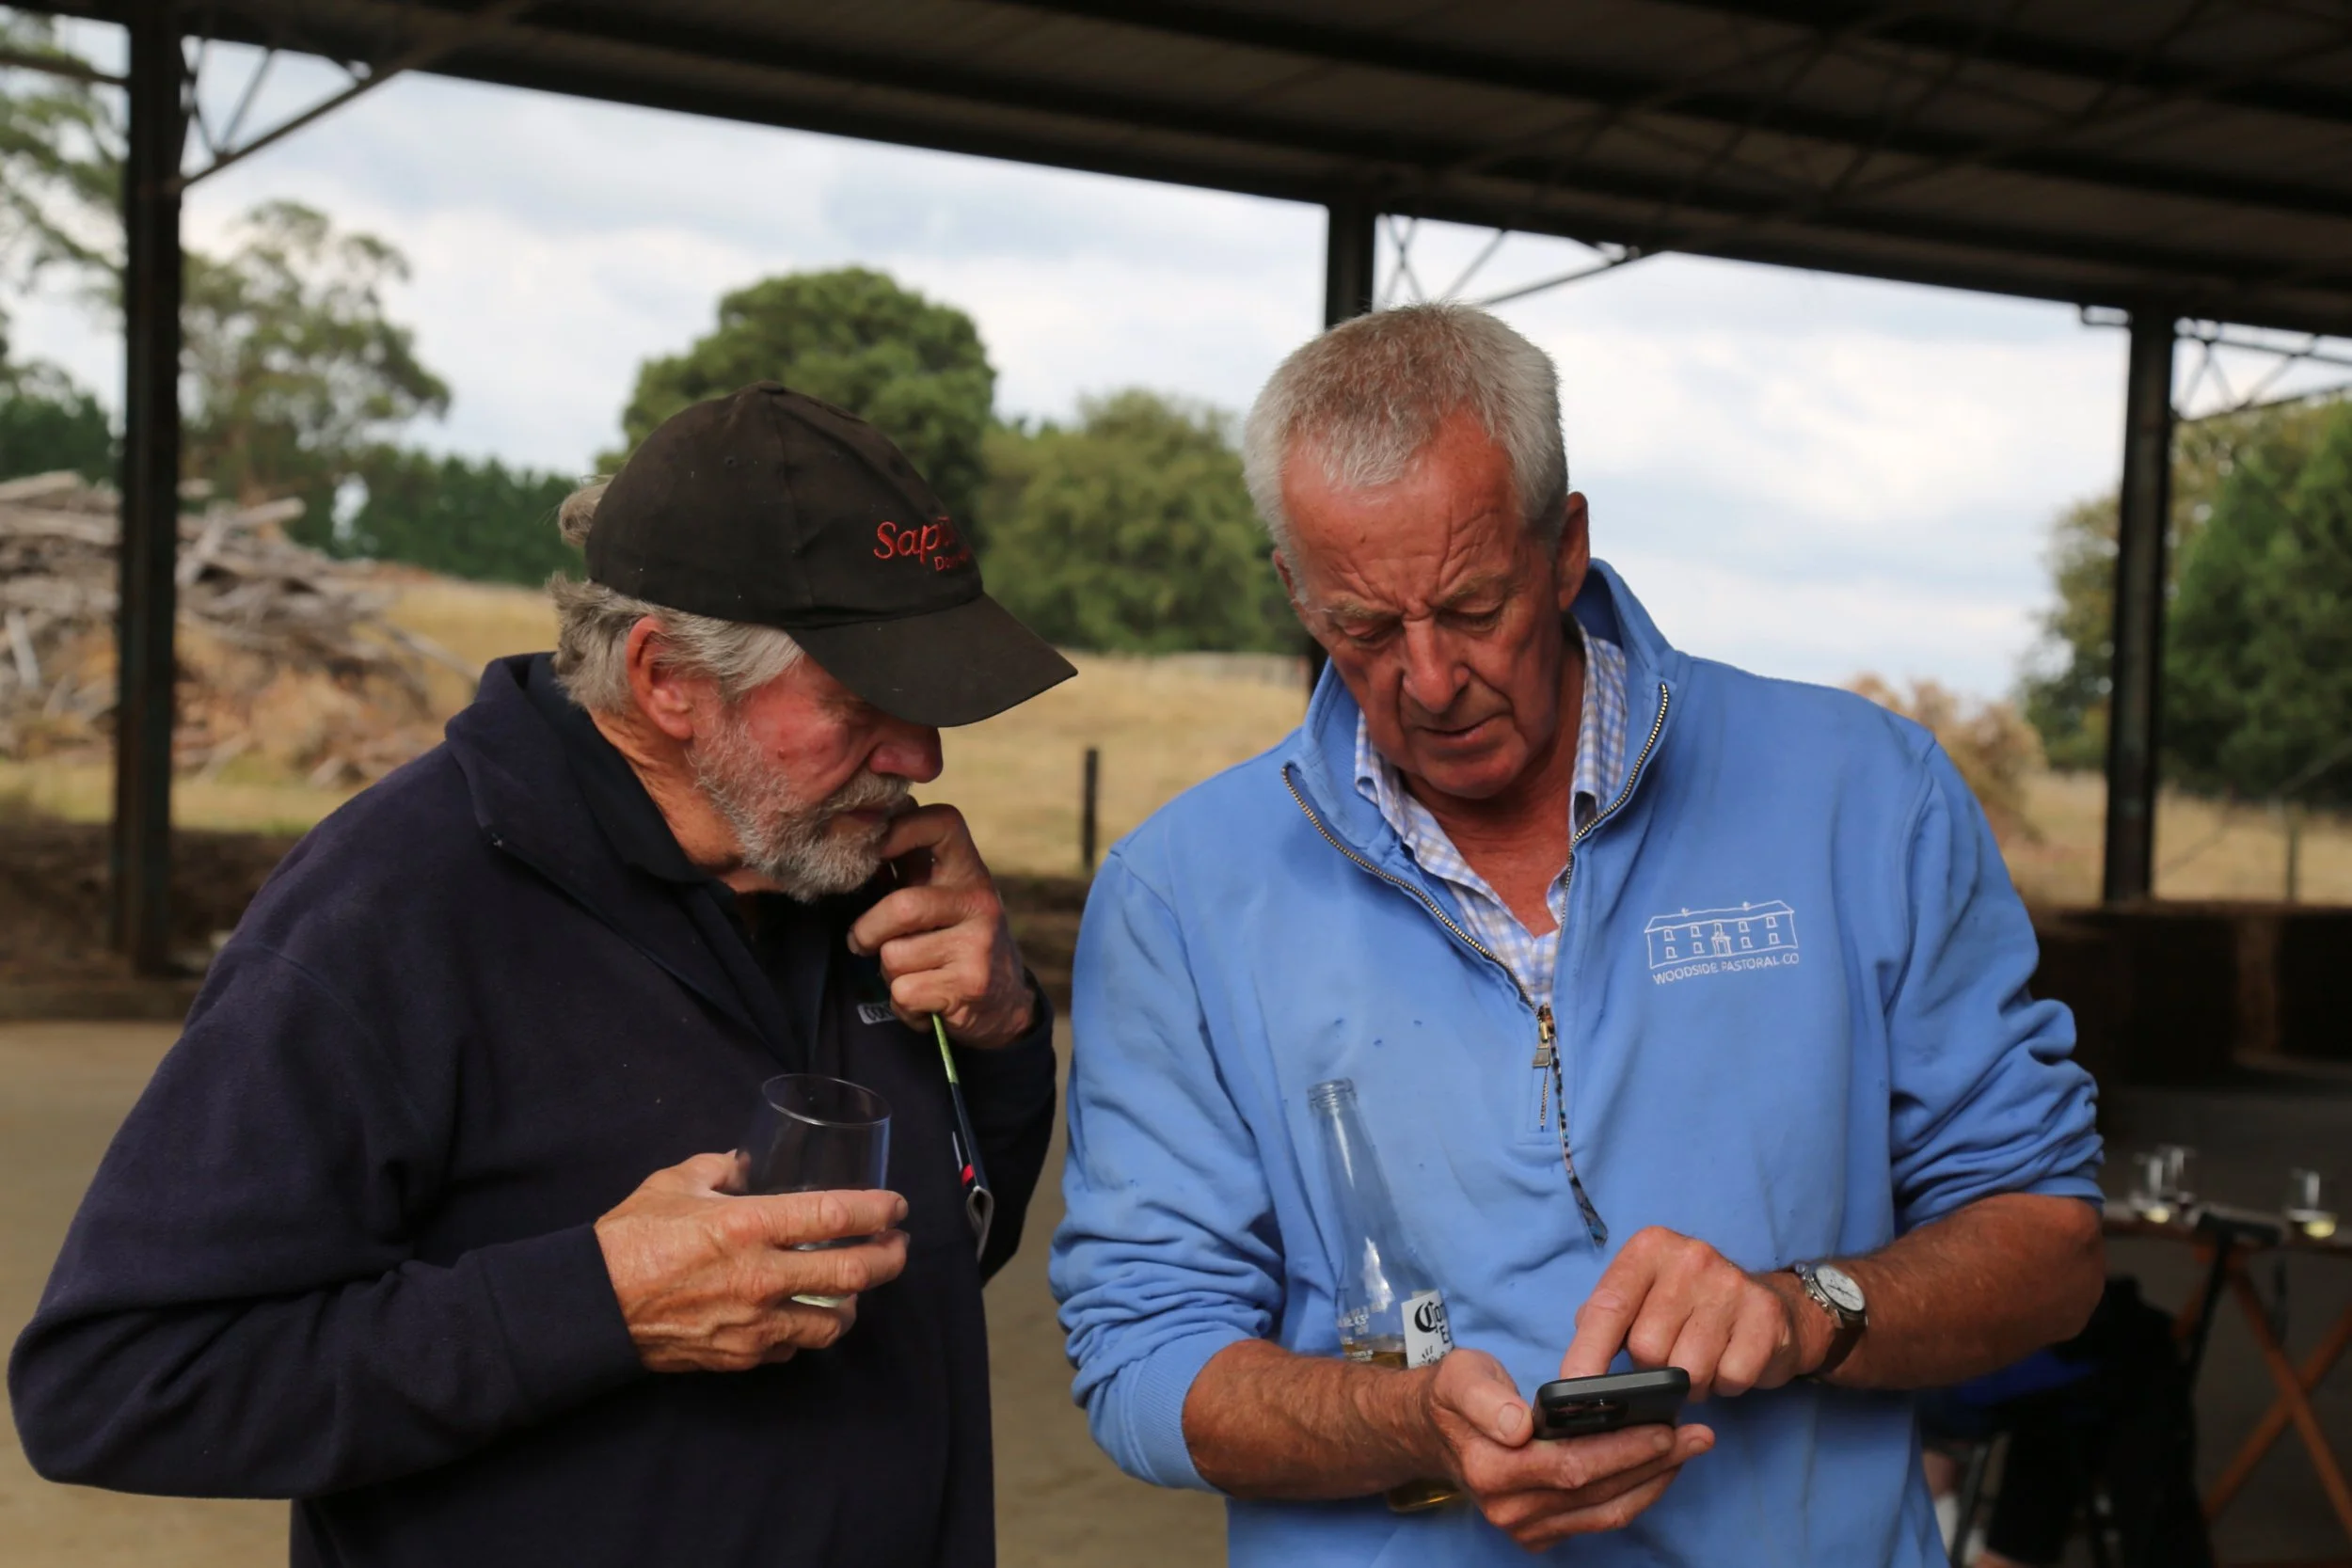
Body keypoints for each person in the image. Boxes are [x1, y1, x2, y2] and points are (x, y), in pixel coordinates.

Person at [1050, 305, 2106, 1564]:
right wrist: (1405, 1423)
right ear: (1294, 589)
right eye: (1364, 627)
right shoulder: (1180, 892)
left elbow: (2050, 1244)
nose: (1429, 679)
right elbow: (1141, 1353)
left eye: (1472, 604)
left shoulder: (1865, 796)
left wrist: (1807, 1310)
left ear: (1565, 548)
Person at [10, 384, 1076, 1568]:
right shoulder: (393, 908)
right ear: (667, 677)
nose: (920, 754)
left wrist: (999, 1034)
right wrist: (598, 1301)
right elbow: (117, 1381)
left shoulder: (850, 869)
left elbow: (932, 1261)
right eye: (861, 702)